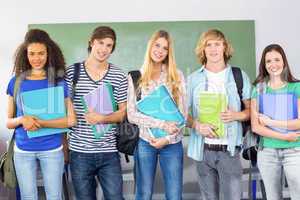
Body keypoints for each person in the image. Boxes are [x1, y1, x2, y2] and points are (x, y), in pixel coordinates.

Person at [6, 29, 76, 200]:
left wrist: (42, 123)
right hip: (23, 150)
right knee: (28, 196)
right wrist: (23, 119)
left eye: (41, 53)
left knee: (54, 196)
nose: (36, 58)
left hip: (52, 149)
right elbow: (9, 121)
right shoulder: (16, 82)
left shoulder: (58, 81)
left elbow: (71, 120)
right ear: (25, 54)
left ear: (48, 53)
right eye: (32, 53)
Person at [186, 29, 251, 200]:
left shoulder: (239, 76)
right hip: (203, 151)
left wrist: (236, 115)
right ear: (203, 49)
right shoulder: (193, 79)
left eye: (217, 44)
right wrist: (197, 125)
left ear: (224, 47)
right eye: (209, 44)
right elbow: (182, 114)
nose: (213, 49)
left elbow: (251, 111)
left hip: (229, 151)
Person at [65, 26, 127, 200]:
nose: (104, 49)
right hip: (79, 153)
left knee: (116, 197)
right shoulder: (72, 73)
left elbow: (123, 113)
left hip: (109, 152)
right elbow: (64, 110)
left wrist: (103, 118)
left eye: (109, 45)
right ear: (91, 42)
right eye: (101, 43)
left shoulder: (119, 76)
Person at [127, 30, 187, 200]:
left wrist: (166, 138)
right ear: (150, 46)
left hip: (172, 143)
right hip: (146, 142)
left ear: (169, 52)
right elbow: (132, 114)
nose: (160, 51)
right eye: (157, 45)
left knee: (174, 195)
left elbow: (183, 114)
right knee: (143, 194)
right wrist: (161, 124)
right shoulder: (135, 76)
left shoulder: (177, 76)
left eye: (165, 48)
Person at [251, 44, 300, 200]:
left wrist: (272, 122)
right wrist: (285, 136)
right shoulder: (258, 89)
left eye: (277, 60)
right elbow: (256, 126)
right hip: (267, 152)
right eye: (269, 61)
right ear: (264, 66)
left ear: (284, 62)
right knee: (272, 197)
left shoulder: (296, 87)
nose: (273, 65)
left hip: (294, 151)